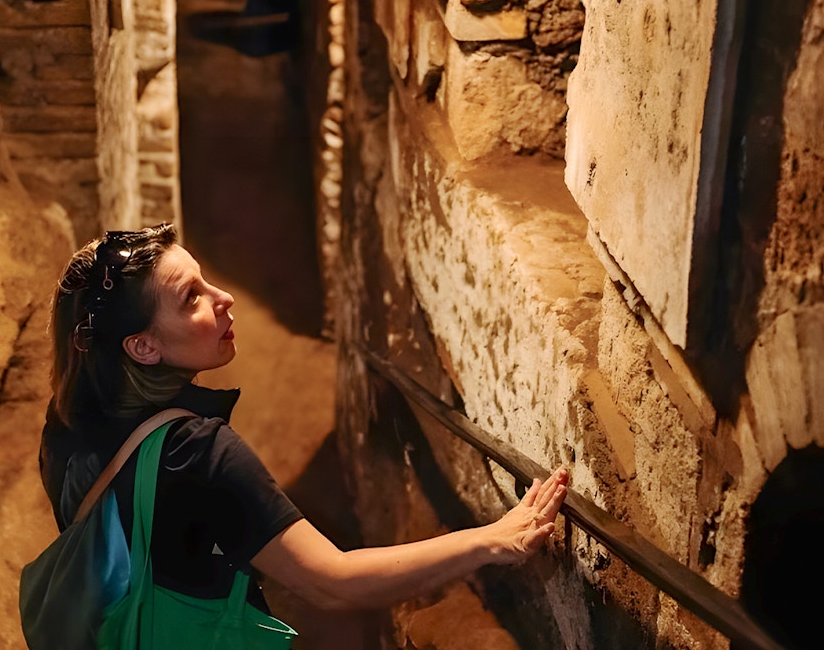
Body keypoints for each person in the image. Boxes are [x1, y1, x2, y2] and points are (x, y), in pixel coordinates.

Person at [38, 223, 568, 622]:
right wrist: (495, 539)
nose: (223, 300)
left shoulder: (65, 422)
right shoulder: (198, 453)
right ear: (143, 346)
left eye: (205, 281)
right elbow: (334, 582)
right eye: (191, 297)